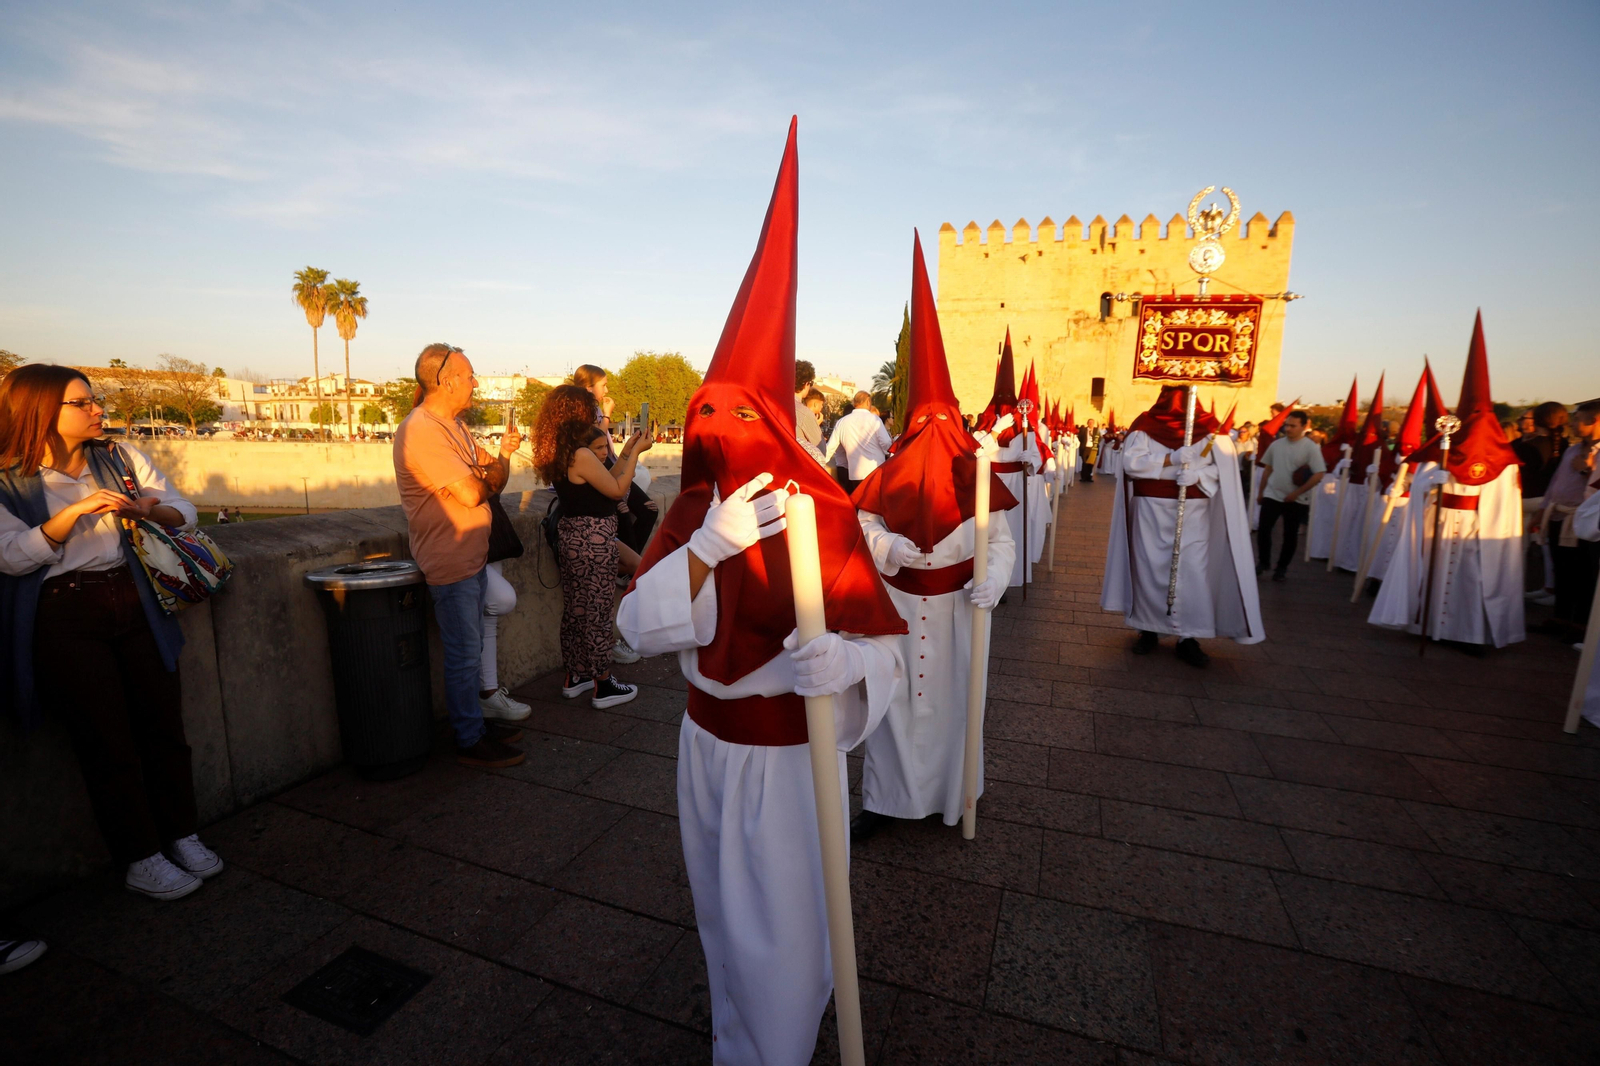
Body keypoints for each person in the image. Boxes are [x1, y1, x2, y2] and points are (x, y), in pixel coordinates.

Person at [617, 121, 907, 1066]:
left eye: (739, 417)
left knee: (785, 932)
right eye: (706, 416)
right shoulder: (693, 505)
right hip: (705, 744)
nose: (716, 433)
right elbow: (634, 628)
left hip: (788, 758)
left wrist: (850, 658)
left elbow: (886, 643)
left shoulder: (823, 510)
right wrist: (704, 547)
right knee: (721, 922)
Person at [0, 365, 223, 901]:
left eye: (93, 399)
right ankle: (141, 856)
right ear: (41, 412)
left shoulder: (120, 458)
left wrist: (152, 508)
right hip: (64, 613)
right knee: (106, 738)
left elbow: (185, 510)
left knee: (163, 724)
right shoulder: (8, 480)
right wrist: (70, 516)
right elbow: (9, 557)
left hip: (135, 598)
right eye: (82, 402)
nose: (98, 409)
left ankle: (180, 833)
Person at [849, 231, 1017, 840]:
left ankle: (953, 798)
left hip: (955, 611)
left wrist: (992, 581)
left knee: (952, 706)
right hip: (897, 605)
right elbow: (861, 522)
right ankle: (887, 803)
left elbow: (998, 544)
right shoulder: (888, 474)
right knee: (891, 706)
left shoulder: (976, 478)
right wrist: (889, 547)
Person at [393, 343, 526, 769]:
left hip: (472, 557)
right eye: (470, 376)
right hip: (449, 562)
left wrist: (500, 457)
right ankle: (469, 738)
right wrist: (480, 478)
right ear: (446, 380)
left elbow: (494, 478)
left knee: (469, 651)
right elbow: (472, 493)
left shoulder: (455, 427)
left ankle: (476, 724)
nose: (475, 383)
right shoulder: (423, 431)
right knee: (464, 655)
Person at [1371, 314, 1524, 650]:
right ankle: (1422, 626)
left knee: (1472, 579)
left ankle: (1469, 634)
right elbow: (1420, 481)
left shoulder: (1504, 460)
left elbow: (1502, 504)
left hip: (1476, 528)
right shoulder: (1445, 447)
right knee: (1433, 573)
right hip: (1436, 522)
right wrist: (1430, 481)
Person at [1102, 384, 1264, 666]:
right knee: (1149, 568)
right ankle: (1148, 629)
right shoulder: (1144, 425)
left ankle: (1188, 636)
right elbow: (1131, 464)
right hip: (1150, 509)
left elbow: (1224, 468)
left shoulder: (1209, 429)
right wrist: (1170, 459)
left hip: (1194, 510)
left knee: (1192, 570)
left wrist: (1199, 476)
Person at [532, 398, 647, 709]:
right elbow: (617, 490)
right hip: (593, 538)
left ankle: (576, 675)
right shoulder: (581, 453)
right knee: (596, 610)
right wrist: (635, 454)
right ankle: (604, 683)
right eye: (590, 411)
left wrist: (624, 452)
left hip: (573, 534)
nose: (595, 416)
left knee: (576, 610)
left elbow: (609, 478)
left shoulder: (562, 450)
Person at [572, 364, 659, 560]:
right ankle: (628, 567)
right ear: (589, 387)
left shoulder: (591, 409)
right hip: (599, 471)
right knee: (628, 512)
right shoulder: (582, 411)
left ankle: (629, 566)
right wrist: (607, 414)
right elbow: (597, 441)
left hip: (607, 466)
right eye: (604, 385)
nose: (607, 390)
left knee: (647, 510)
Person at [1540, 400, 1600, 638]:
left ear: (1593, 421)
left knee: (1583, 573)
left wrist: (1587, 470)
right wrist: (1544, 508)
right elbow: (1557, 481)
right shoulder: (1573, 449)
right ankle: (1561, 617)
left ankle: (1579, 626)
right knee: (1561, 568)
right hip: (1559, 514)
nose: (1572, 423)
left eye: (1577, 419)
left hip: (1582, 521)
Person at [1256, 410, 1326, 581]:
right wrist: (1261, 492)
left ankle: (1281, 568)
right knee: (1263, 530)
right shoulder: (1276, 445)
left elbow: (1319, 474)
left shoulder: (1310, 448)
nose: (1288, 429)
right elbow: (1267, 469)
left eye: (1293, 426)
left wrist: (1297, 493)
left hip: (1296, 500)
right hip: (1272, 495)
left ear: (1304, 426)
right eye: (1287, 425)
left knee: (1290, 534)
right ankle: (1264, 562)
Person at [1515, 400, 1569, 605]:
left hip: (1527, 500)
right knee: (1546, 547)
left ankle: (1516, 586)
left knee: (1520, 546)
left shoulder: (1526, 446)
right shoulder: (1564, 444)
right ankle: (1549, 587)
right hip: (1549, 500)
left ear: (1537, 421)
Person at [823, 390, 892, 493]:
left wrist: (820, 463)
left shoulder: (842, 422)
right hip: (875, 471)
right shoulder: (874, 420)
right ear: (868, 402)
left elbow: (830, 448)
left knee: (858, 505)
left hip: (855, 474)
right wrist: (888, 454)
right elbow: (886, 443)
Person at [794, 358, 823, 456]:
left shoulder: (774, 405)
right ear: (806, 384)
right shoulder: (804, 413)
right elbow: (821, 451)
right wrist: (816, 425)